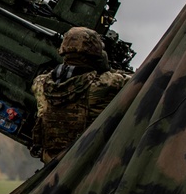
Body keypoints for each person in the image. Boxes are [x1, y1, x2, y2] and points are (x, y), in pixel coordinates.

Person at [30, 26, 130, 163]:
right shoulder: (105, 85)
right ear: (96, 55)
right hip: (84, 167)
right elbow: (138, 80)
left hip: (52, 166)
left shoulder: (40, 84)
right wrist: (106, 66)